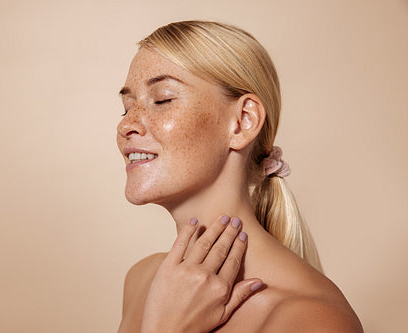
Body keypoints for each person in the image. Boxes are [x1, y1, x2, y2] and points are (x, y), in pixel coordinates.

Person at [116, 20, 363, 333]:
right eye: (125, 108)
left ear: (244, 121)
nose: (126, 126)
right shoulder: (142, 281)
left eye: (162, 99)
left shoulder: (312, 320)